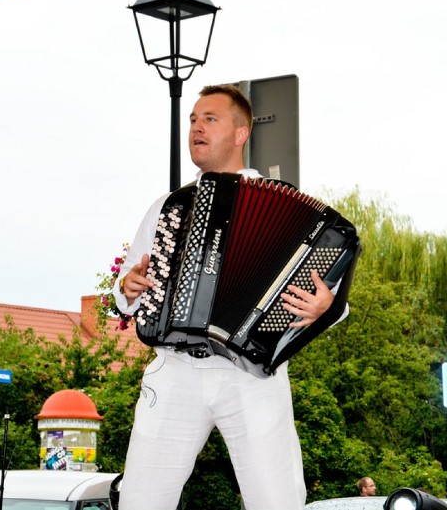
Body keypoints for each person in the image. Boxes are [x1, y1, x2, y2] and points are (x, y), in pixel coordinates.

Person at [113, 84, 347, 510]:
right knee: (139, 500)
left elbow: (334, 298)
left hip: (251, 375)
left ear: (241, 134)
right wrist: (127, 288)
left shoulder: (288, 206)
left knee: (277, 501)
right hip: (175, 369)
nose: (196, 127)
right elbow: (127, 288)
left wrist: (326, 306)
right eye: (193, 120)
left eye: (210, 119)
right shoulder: (169, 206)